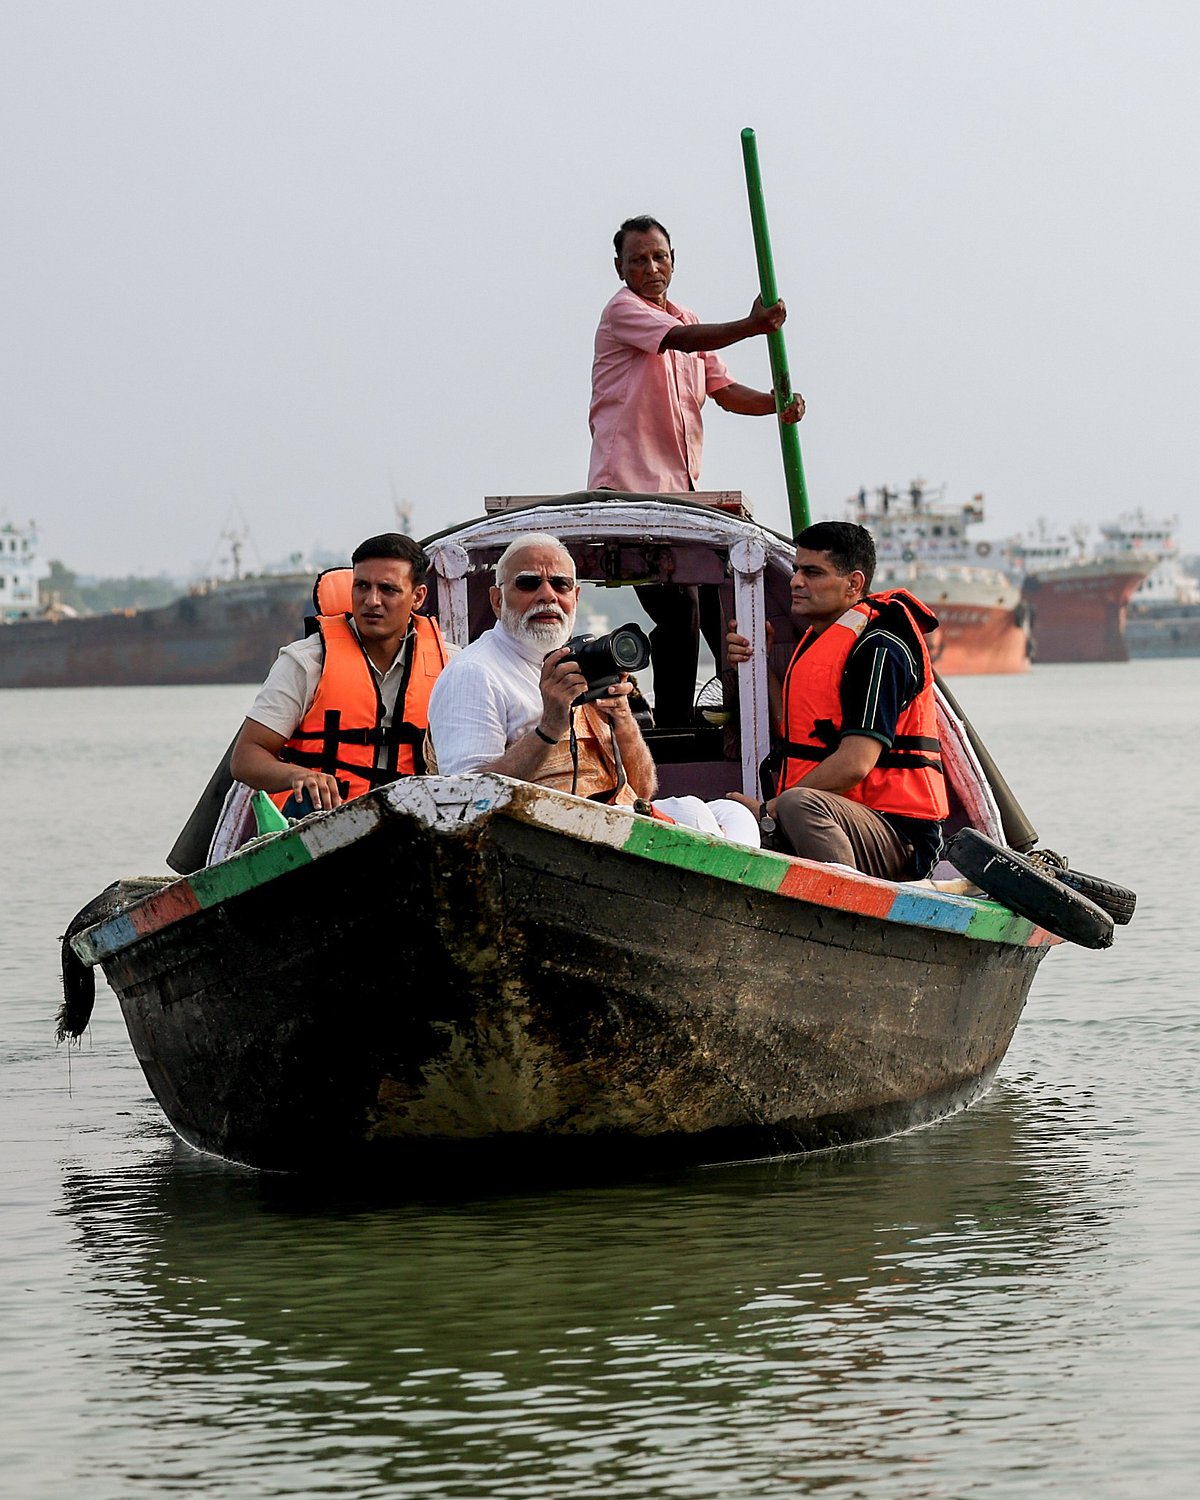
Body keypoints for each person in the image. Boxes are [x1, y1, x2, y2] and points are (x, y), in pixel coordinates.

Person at [587, 214, 806, 724]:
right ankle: (676, 726)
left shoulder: (686, 319)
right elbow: (679, 343)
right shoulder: (624, 311)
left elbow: (725, 392)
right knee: (678, 606)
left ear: (673, 262)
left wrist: (778, 404)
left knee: (718, 605)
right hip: (629, 493)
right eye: (638, 259)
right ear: (620, 268)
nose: (651, 267)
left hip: (679, 498)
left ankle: (744, 717)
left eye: (659, 257)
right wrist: (753, 327)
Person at [426, 531, 759, 845]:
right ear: (497, 601)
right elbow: (463, 802)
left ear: (576, 596)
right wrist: (549, 728)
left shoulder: (575, 663)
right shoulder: (475, 672)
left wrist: (623, 720)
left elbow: (641, 791)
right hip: (541, 837)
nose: (547, 595)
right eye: (528, 583)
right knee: (695, 815)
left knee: (735, 813)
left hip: (610, 822)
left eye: (560, 584)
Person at [726, 521, 949, 879]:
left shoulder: (880, 649)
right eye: (797, 569)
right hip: (838, 820)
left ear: (854, 584)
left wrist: (769, 809)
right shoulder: (819, 641)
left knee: (800, 803)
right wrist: (754, 666)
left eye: (812, 572)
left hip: (898, 836)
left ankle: (846, 910)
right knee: (730, 811)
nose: (796, 581)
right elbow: (796, 731)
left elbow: (855, 764)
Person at [230, 532, 447, 816]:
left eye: (388, 589)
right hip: (321, 828)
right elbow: (245, 757)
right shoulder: (306, 662)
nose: (372, 600)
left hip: (415, 827)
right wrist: (296, 775)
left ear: (417, 596)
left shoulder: (451, 666)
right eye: (362, 586)